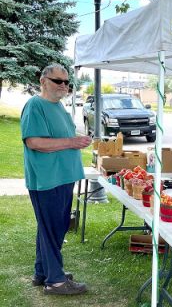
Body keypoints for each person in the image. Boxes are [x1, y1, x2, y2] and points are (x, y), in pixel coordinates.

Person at [20, 64, 92, 295]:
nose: (64, 86)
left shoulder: (58, 106)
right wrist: (72, 143)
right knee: (52, 228)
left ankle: (43, 272)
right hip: (47, 179)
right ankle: (56, 282)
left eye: (66, 82)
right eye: (58, 81)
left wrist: (76, 139)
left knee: (52, 227)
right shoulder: (35, 105)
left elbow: (61, 138)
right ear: (43, 81)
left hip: (63, 177)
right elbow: (34, 142)